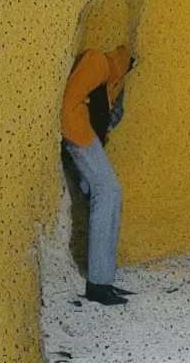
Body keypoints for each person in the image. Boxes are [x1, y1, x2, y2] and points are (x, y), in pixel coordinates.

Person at [61, 46, 135, 305]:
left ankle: (105, 280)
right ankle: (98, 285)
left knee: (111, 193)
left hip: (84, 135)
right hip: (77, 134)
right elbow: (70, 102)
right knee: (108, 192)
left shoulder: (111, 77)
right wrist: (81, 138)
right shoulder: (97, 62)